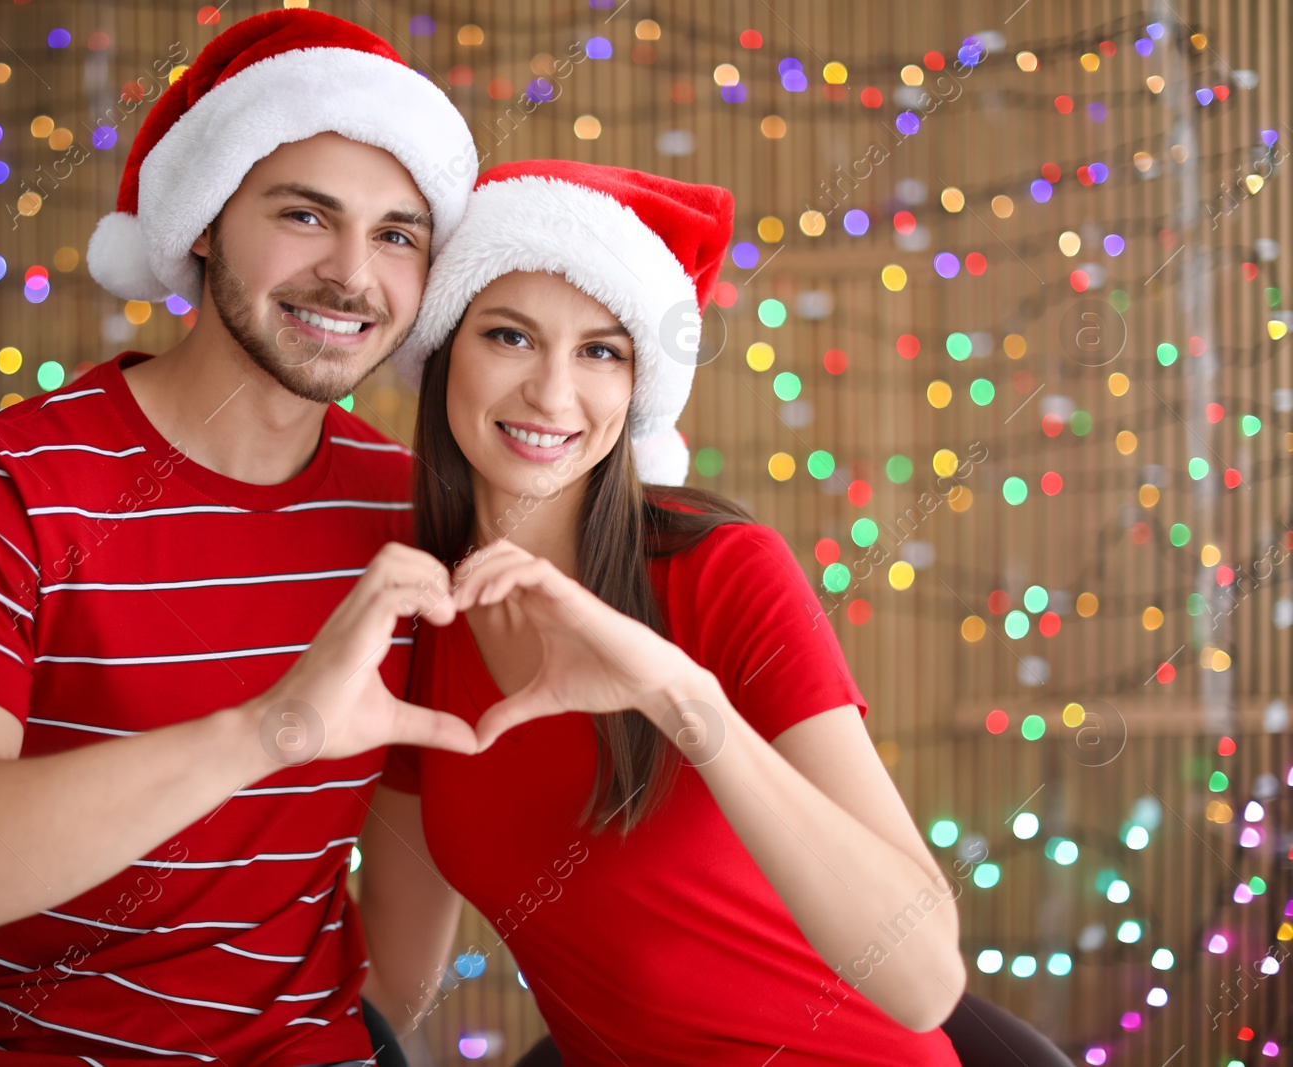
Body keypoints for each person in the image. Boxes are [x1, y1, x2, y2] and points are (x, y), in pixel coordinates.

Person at [0, 10, 477, 1066]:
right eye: (305, 215)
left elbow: (399, 938)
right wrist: (268, 731)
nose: (353, 274)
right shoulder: (6, 493)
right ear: (204, 220)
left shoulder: (411, 519)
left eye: (397, 234)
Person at [355, 161, 970, 1065]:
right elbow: (393, 985)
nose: (553, 394)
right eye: (510, 336)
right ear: (446, 347)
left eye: (601, 350)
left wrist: (686, 700)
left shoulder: (720, 572)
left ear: (639, 386)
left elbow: (925, 982)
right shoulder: (417, 617)